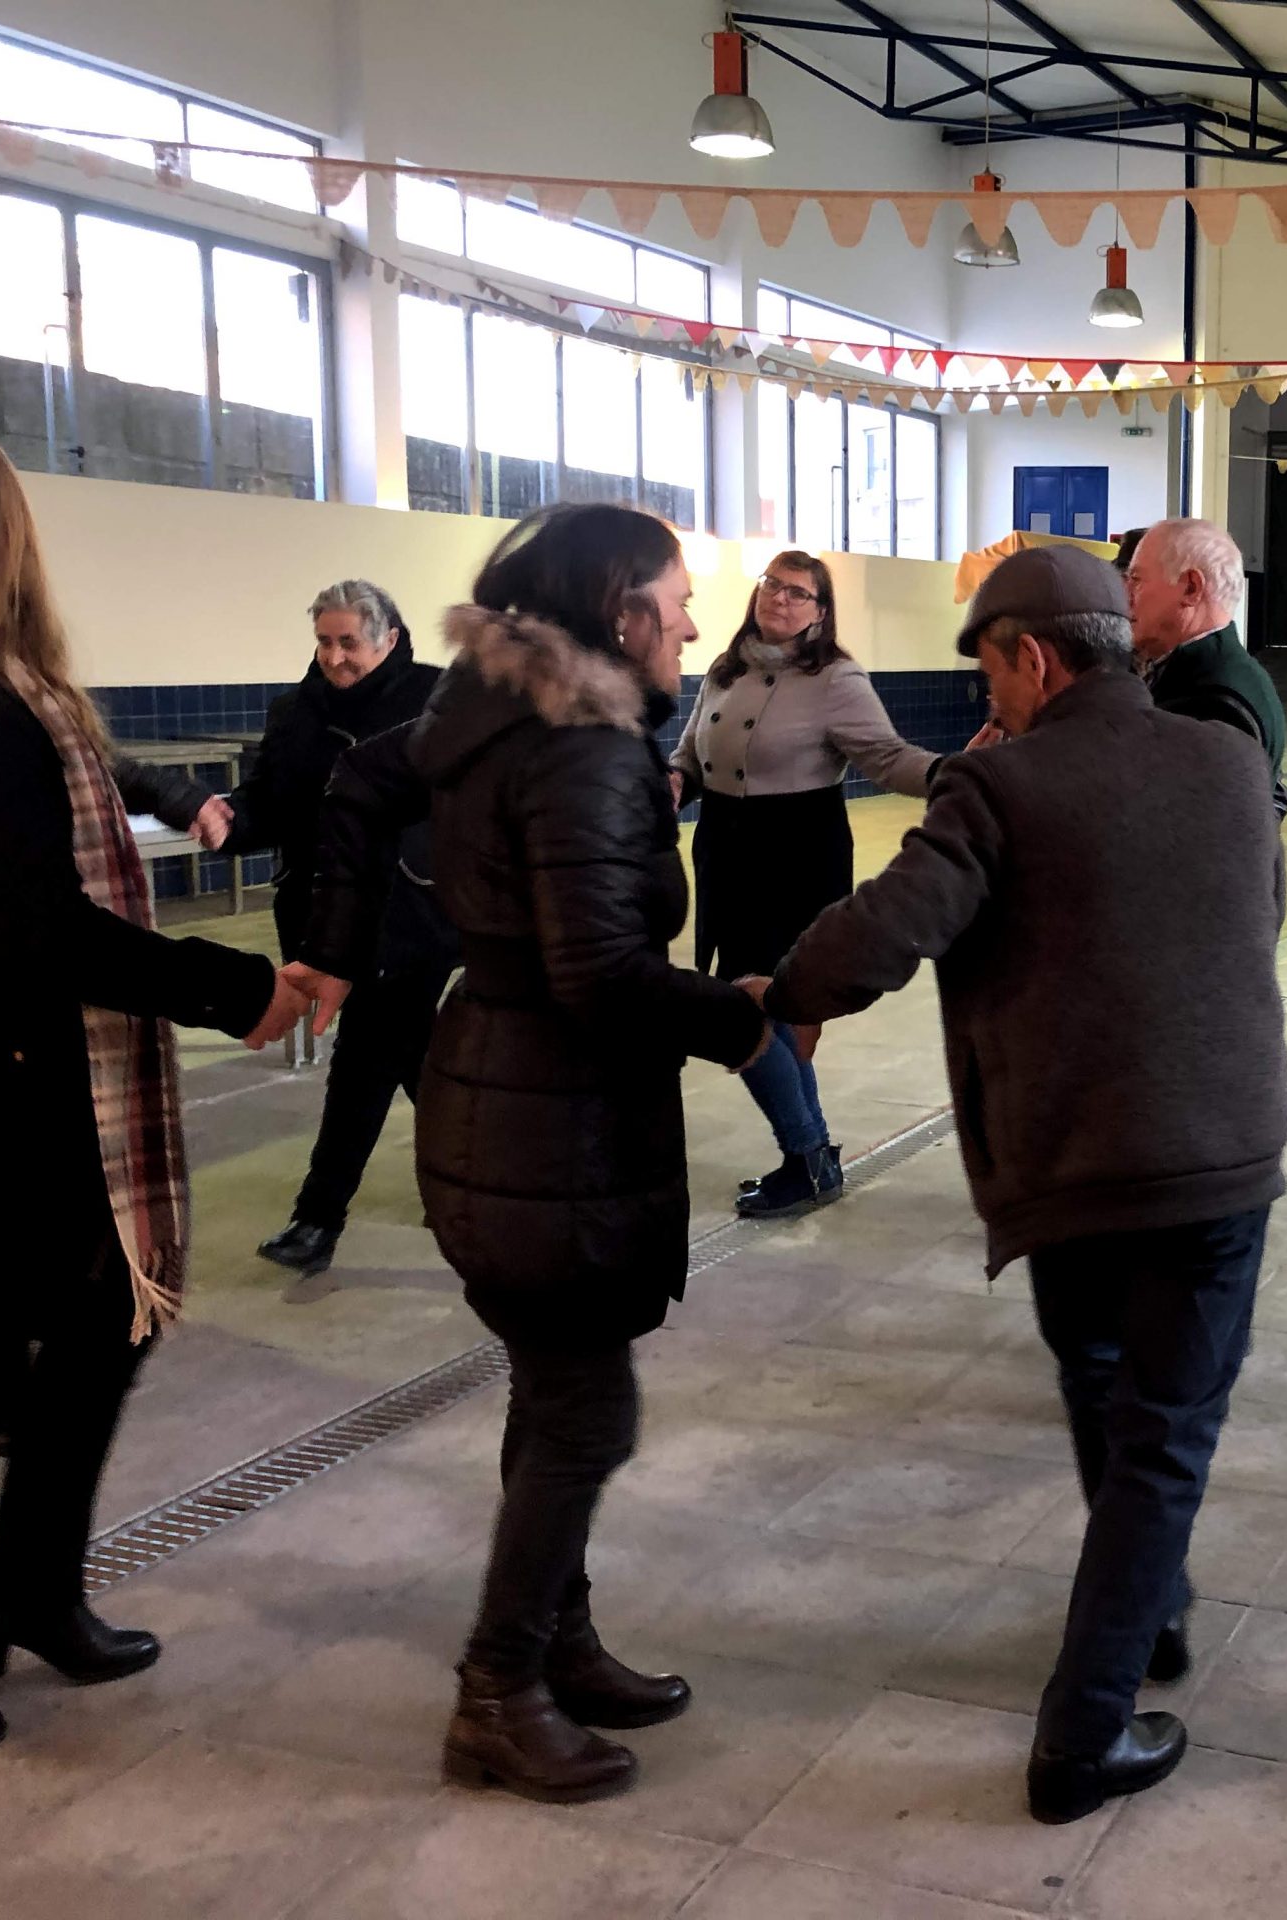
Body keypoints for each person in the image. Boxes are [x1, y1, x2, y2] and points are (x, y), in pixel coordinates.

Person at [755, 545, 1287, 1824]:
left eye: (989, 670)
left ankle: (1080, 1738)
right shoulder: (1229, 761)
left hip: (1072, 1166)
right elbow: (1257, 911)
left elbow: (880, 936)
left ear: (1033, 660)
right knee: (1162, 1436)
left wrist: (776, 994)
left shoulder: (996, 787)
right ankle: (1145, 1613)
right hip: (1217, 1159)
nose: (985, 696)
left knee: (1115, 1402)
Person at [292, 505, 770, 1804]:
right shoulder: (585, 748)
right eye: (678, 599)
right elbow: (600, 974)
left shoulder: (483, 711)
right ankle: (497, 1695)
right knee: (585, 1413)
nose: (692, 625)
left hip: (491, 1091)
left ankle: (558, 1643)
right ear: (620, 611)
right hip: (551, 1120)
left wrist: (334, 945)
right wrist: (738, 1017)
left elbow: (361, 783)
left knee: (555, 1392)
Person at [0, 421, 307, 1754]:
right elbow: (35, 930)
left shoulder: (2, 699)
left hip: (30, 1086)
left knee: (101, 1326)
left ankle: (31, 1584)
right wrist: (231, 986)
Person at [672, 551, 941, 1220]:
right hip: (726, 849)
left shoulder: (836, 678)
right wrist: (671, 782)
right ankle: (812, 1156)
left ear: (820, 612)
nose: (781, 598)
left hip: (795, 854)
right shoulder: (727, 668)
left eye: (798, 593)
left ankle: (807, 1155)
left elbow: (886, 757)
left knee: (763, 1004)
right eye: (773, 585)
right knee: (759, 1006)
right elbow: (690, 755)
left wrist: (956, 776)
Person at [229, 581, 452, 1278]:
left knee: (369, 1053)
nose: (334, 657)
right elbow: (266, 805)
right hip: (320, 913)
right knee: (409, 1054)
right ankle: (483, 1177)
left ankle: (319, 1217)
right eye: (324, 642)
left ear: (389, 639)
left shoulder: (438, 699)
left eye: (348, 642)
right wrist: (221, 819)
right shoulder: (296, 711)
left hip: (409, 910)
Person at [1122, 517, 1287, 819]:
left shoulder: (1212, 700)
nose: (1125, 595)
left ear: (1191, 588)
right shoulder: (1214, 673)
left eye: (1136, 579)